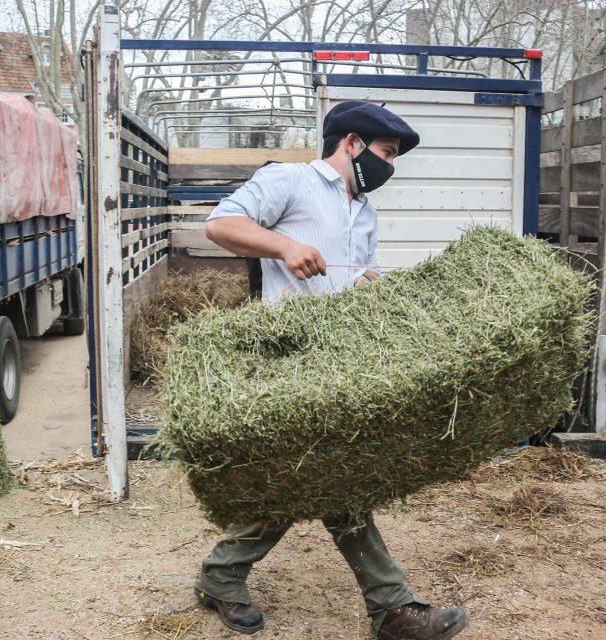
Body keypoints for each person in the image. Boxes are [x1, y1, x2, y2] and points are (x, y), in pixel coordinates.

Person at [195, 100, 469, 640]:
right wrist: (286, 245)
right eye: (386, 153)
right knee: (330, 476)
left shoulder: (363, 209)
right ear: (350, 142)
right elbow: (219, 223)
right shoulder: (290, 180)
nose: (389, 165)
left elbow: (361, 277)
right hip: (286, 358)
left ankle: (222, 574)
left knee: (310, 477)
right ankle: (390, 608)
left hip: (337, 361)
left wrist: (404, 305)